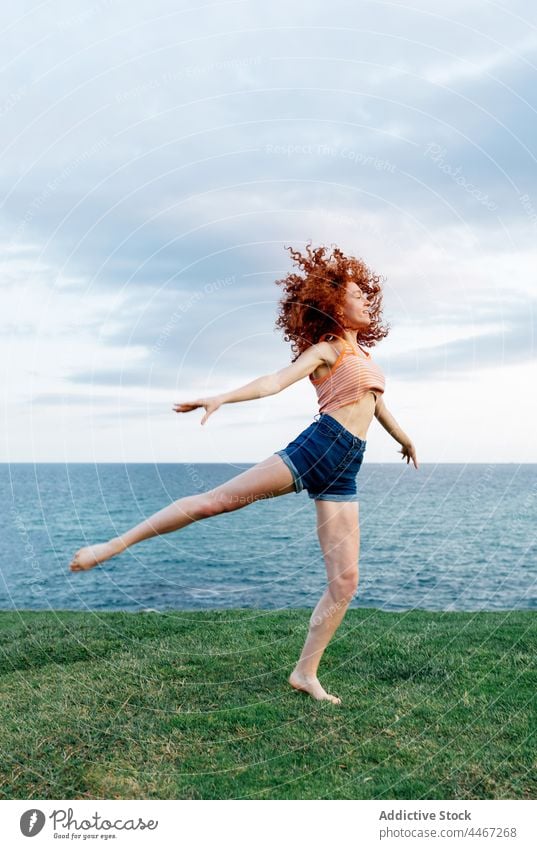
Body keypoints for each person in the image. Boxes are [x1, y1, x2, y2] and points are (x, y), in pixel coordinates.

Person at [69, 242, 418, 705]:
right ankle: (110, 547)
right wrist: (222, 397)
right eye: (357, 294)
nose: (366, 300)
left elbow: (377, 404)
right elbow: (274, 381)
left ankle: (305, 674)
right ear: (334, 303)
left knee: (345, 582)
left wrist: (404, 439)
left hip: (346, 466)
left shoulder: (366, 360)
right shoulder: (326, 350)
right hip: (319, 447)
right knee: (215, 502)